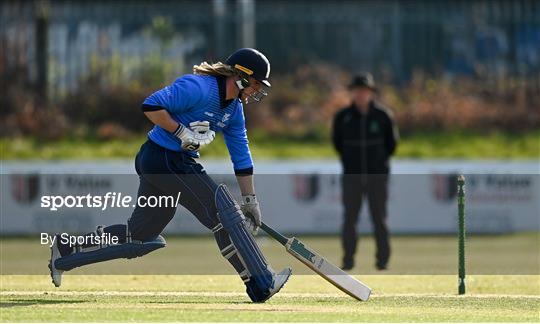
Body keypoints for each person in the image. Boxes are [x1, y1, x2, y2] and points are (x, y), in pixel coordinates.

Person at [48, 48, 292, 303]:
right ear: (241, 76)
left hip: (170, 162)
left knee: (141, 234)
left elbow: (241, 154)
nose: (256, 90)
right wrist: (180, 132)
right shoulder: (198, 87)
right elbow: (151, 105)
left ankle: (66, 249)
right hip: (162, 157)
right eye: (255, 84)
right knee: (222, 213)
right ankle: (261, 282)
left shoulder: (233, 110)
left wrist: (250, 199)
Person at [331, 72, 398, 271]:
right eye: (357, 91)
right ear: (352, 93)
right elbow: (338, 144)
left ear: (371, 93)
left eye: (365, 91)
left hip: (377, 177)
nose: (361, 95)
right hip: (352, 176)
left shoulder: (383, 116)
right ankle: (348, 260)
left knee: (379, 218)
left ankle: (382, 261)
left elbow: (392, 145)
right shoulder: (343, 117)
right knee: (350, 218)